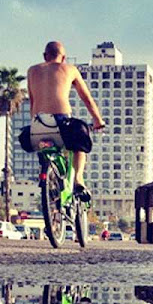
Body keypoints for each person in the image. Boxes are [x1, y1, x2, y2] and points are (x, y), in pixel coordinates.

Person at [26, 41, 105, 201]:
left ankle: (48, 175)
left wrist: (35, 125)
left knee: (46, 150)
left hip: (37, 124)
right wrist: (98, 120)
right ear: (64, 58)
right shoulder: (70, 69)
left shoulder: (32, 71)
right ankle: (78, 179)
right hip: (61, 121)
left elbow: (32, 101)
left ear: (44, 56)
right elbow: (87, 99)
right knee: (79, 144)